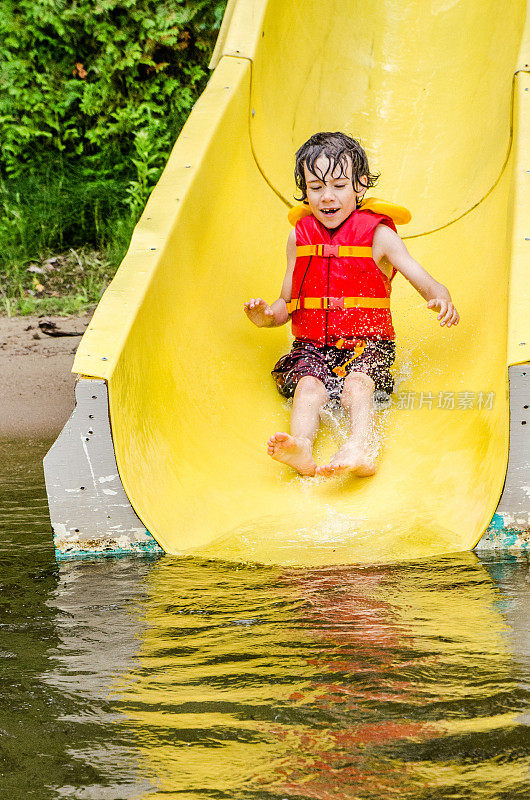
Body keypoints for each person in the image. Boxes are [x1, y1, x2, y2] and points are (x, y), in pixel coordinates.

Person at [244, 132, 459, 478]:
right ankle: (301, 446)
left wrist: (440, 297)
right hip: (312, 346)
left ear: (360, 186)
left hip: (367, 345)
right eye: (316, 187)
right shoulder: (298, 238)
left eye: (339, 185)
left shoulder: (378, 235)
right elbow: (288, 301)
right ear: (304, 191)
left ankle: (360, 445)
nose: (327, 197)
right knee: (307, 387)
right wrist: (267, 316)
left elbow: (423, 278)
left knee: (358, 385)